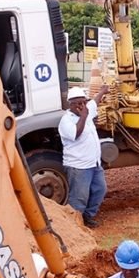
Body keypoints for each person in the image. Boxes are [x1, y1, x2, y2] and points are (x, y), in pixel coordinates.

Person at [58, 86, 109, 228]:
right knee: (79, 197)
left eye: (83, 102)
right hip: (78, 166)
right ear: (71, 104)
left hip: (94, 164)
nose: (82, 106)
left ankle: (87, 217)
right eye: (78, 103)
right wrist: (84, 115)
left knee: (100, 189)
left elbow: (95, 102)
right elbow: (76, 133)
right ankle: (74, 226)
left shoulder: (87, 109)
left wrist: (103, 91)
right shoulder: (66, 121)